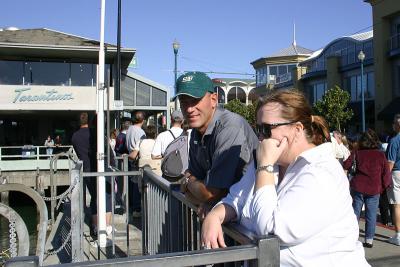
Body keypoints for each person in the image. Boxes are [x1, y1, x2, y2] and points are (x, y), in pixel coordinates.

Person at [201, 89, 369, 266]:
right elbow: (236, 199)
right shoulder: (268, 163)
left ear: (297, 129)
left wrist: (264, 166)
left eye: (266, 129)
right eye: (257, 128)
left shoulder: (321, 171)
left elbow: (271, 231)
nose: (260, 137)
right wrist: (215, 216)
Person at [176, 71, 259, 210]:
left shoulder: (230, 126)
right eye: (184, 102)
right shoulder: (196, 131)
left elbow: (210, 193)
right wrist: (199, 191)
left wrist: (187, 180)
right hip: (227, 214)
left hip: (248, 220)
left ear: (213, 100)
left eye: (195, 100)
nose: (189, 109)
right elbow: (195, 194)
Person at [343, 129, 391, 248]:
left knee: (355, 213)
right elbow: (386, 173)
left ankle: (352, 236)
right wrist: (384, 187)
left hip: (358, 186)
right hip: (374, 188)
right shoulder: (380, 154)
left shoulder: (357, 152)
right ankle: (369, 239)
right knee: (371, 214)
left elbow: (346, 165)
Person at [71, 112, 112, 237]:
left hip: (87, 170)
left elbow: (78, 153)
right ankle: (107, 226)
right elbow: (107, 150)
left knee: (94, 197)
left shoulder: (75, 136)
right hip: (100, 167)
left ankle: (95, 227)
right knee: (107, 196)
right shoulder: (96, 134)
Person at [125, 111, 146, 218]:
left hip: (130, 158)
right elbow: (142, 147)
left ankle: (133, 206)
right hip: (137, 159)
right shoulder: (140, 132)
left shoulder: (129, 129)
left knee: (133, 183)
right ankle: (137, 208)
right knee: (138, 185)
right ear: (143, 120)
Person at [387, 114, 400, 245]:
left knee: (396, 204)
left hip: (396, 173)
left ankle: (398, 235)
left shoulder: (394, 140)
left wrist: (384, 178)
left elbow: (390, 162)